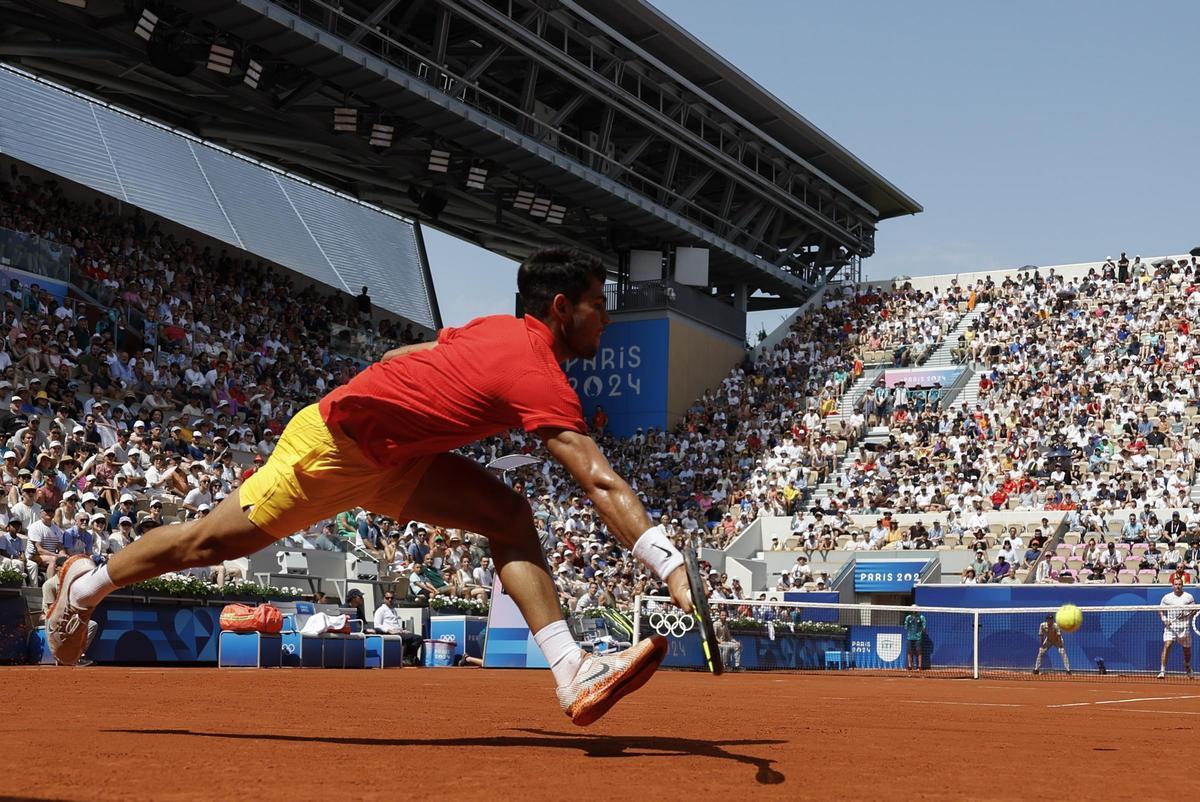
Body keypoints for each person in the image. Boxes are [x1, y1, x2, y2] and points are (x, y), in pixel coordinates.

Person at [47, 247, 692, 727]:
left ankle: (571, 670)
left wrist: (399, 404)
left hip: (395, 459)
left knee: (506, 513)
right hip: (332, 450)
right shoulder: (534, 370)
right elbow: (598, 479)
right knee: (206, 544)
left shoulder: (493, 330)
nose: (606, 321)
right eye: (600, 308)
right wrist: (670, 564)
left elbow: (397, 358)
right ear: (561, 308)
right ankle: (85, 585)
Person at [371, 589, 424, 665]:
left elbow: (395, 624)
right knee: (416, 638)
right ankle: (406, 658)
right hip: (388, 633)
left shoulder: (393, 610)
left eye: (392, 598)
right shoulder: (380, 610)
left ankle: (410, 658)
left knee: (417, 637)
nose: (390, 600)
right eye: (387, 598)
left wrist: (402, 630)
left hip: (397, 632)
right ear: (384, 598)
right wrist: (388, 630)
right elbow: (377, 625)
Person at [1158, 577, 1196, 679]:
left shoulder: (1189, 597)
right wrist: (1164, 619)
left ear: (1182, 585)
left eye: (1179, 584)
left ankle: (1187, 665)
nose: (1177, 586)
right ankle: (1162, 670)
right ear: (1172, 586)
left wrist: (1188, 613)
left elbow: (1194, 609)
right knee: (1167, 644)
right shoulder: (1166, 598)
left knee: (1187, 650)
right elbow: (1160, 610)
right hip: (1170, 628)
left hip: (1184, 627)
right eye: (1176, 584)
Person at [712, 606, 742, 670]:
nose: (724, 616)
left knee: (738, 645)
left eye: (725, 615)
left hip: (725, 642)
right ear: (719, 616)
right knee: (726, 647)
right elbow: (714, 636)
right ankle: (724, 665)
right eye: (722, 615)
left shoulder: (726, 624)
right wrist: (720, 641)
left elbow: (729, 636)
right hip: (717, 643)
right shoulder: (715, 624)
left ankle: (737, 665)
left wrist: (735, 641)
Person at [902, 605, 926, 671]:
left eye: (915, 609)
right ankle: (910, 666)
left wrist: (920, 631)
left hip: (918, 637)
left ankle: (919, 666)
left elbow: (924, 627)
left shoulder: (921, 617)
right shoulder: (908, 617)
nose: (914, 610)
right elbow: (905, 627)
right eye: (913, 609)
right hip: (910, 637)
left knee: (919, 651)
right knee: (909, 651)